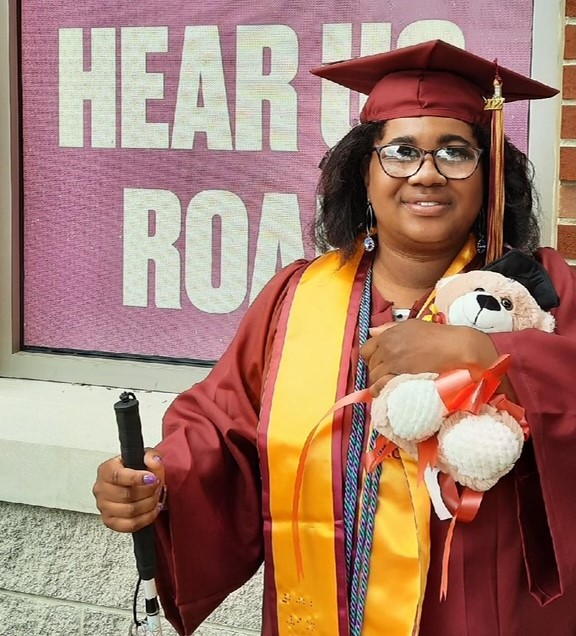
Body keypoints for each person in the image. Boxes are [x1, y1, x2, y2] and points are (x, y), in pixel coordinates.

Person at [93, 40, 576, 636]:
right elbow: (223, 424)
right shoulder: (296, 300)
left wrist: (482, 353)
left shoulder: (537, 291)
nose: (426, 172)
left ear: (490, 175)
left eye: (456, 152)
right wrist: (160, 480)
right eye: (401, 151)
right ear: (363, 173)